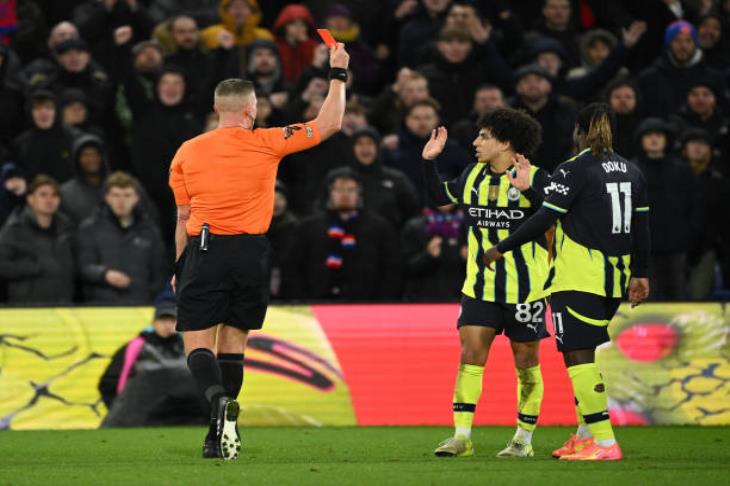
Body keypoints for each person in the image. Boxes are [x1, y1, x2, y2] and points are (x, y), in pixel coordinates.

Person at [168, 43, 349, 460]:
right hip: (250, 253)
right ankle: (218, 436)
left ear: (218, 109)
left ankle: (215, 401)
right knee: (234, 343)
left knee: (197, 345)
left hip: (205, 248)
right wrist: (337, 72)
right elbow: (330, 123)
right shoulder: (269, 141)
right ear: (251, 110)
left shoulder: (187, 151)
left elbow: (182, 216)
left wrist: (180, 264)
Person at [484, 103, 651, 461]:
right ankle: (584, 436)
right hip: (614, 280)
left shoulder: (574, 169)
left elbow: (545, 217)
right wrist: (641, 272)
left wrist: (500, 247)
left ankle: (605, 444)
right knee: (586, 356)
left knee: (578, 359)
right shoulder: (633, 171)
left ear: (579, 130)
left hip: (578, 277)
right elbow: (641, 227)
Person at [423, 108, 552, 458]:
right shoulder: (472, 174)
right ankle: (461, 436)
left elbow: (558, 220)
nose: (475, 142)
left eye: (484, 137)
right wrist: (429, 162)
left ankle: (523, 440)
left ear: (506, 142)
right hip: (480, 287)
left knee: (526, 362)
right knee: (470, 354)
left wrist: (533, 193)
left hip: (527, 289)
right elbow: (440, 197)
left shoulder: (537, 177)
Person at [291, 167, 402, 300]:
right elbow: (293, 269)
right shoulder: (308, 227)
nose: (345, 194)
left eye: (350, 189)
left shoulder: (380, 227)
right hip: (317, 305)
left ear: (359, 193)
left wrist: (382, 303)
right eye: (339, 189)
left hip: (367, 306)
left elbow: (392, 270)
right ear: (330, 193)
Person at [99, 293, 209, 427]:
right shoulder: (135, 347)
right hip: (141, 421)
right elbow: (109, 382)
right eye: (163, 320)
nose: (167, 325)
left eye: (172, 320)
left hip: (187, 419)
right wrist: (121, 412)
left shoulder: (189, 348)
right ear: (154, 322)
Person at [77, 171, 167, 304]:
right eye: (116, 195)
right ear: (107, 197)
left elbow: (160, 272)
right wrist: (104, 274)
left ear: (136, 198)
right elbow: (83, 266)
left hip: (141, 305)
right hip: (100, 306)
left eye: (127, 195)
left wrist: (148, 296)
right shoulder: (90, 228)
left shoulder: (150, 232)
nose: (121, 201)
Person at [0, 175, 75, 304]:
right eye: (43, 195)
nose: (49, 200)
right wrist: (34, 267)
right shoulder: (14, 230)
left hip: (63, 305)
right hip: (28, 306)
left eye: (54, 195)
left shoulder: (67, 229)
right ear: (30, 199)